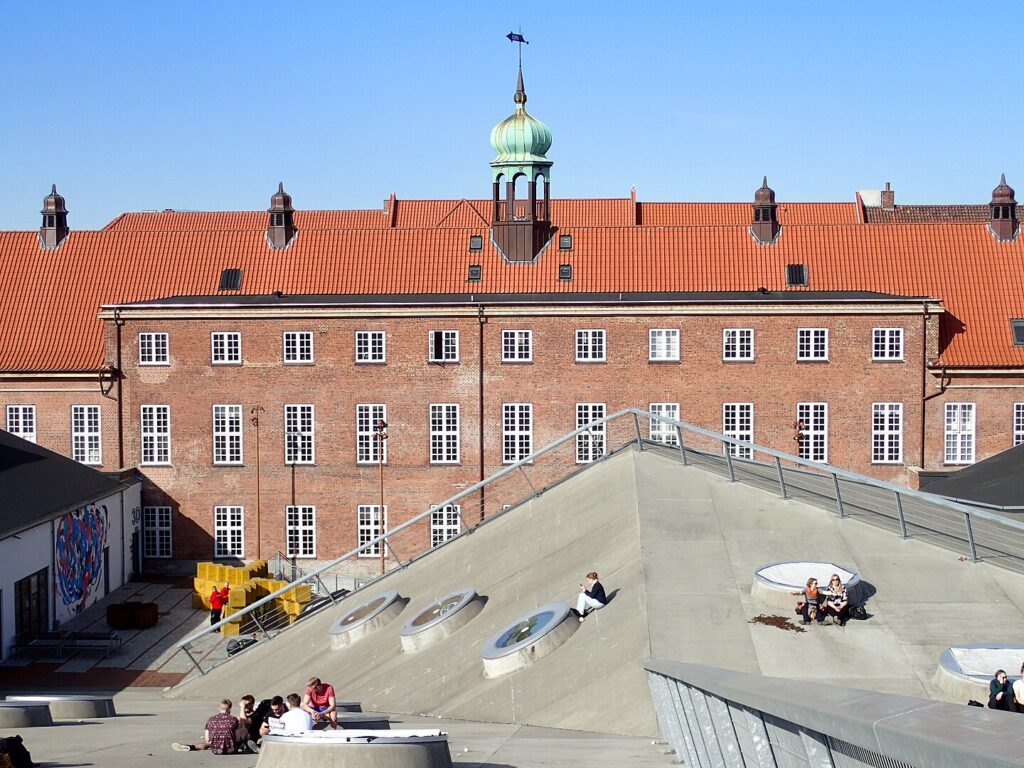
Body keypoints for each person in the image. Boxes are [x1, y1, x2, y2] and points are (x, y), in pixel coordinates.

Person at [172, 699, 240, 753]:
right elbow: (237, 739)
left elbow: (207, 739)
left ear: (219, 708)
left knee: (209, 743)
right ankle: (245, 746)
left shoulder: (211, 719)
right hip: (231, 750)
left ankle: (191, 747)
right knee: (243, 732)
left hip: (216, 750)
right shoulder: (234, 719)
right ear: (230, 709)